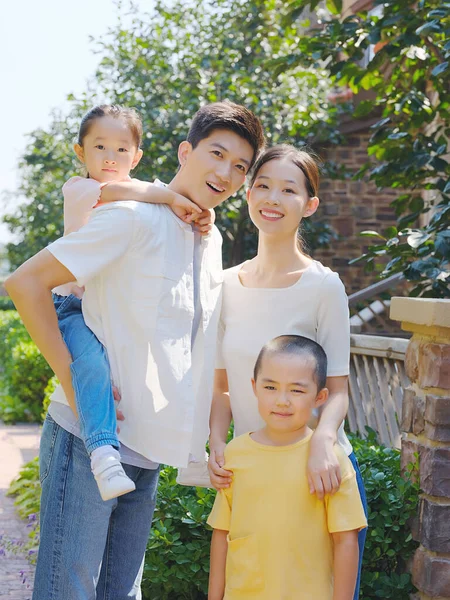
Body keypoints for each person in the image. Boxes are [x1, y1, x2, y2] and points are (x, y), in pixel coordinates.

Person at [6, 100, 266, 600]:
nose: (225, 173)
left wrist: (210, 434)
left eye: (239, 166)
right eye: (216, 153)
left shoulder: (207, 238)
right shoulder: (130, 217)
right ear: (185, 151)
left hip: (148, 449)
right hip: (88, 440)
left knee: (122, 594)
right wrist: (70, 379)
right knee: (69, 591)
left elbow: (197, 346)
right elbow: (26, 283)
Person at [208, 144, 368, 599]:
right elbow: (221, 388)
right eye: (262, 185)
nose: (272, 199)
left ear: (309, 205)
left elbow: (337, 388)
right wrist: (218, 444)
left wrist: (322, 444)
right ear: (247, 193)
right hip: (250, 470)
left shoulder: (323, 285)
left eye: (288, 190)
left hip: (316, 473)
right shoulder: (223, 285)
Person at [51, 104, 212, 501]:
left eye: (122, 150)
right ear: (80, 152)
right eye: (100, 147)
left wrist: (193, 212)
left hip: (103, 305)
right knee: (90, 369)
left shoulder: (144, 207)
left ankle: (192, 449)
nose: (110, 157)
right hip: (71, 305)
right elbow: (121, 189)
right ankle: (103, 454)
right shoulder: (80, 187)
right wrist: (172, 196)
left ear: (136, 157)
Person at [208, 335, 367, 600]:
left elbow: (346, 542)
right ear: (254, 387)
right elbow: (222, 534)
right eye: (270, 387)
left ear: (320, 397)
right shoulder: (235, 455)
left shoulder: (330, 461)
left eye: (297, 390)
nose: (282, 400)